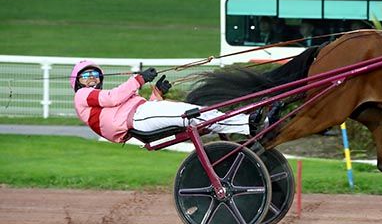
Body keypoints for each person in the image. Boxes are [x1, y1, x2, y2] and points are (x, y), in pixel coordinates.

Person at [71, 60, 255, 144]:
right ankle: (247, 124)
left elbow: (142, 108)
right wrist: (139, 79)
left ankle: (245, 123)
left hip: (142, 115)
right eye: (86, 75)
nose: (92, 78)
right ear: (77, 81)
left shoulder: (99, 101)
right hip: (137, 119)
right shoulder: (82, 95)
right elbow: (113, 98)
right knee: (193, 114)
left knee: (197, 112)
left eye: (94, 74)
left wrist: (158, 93)